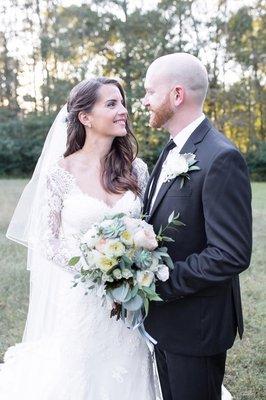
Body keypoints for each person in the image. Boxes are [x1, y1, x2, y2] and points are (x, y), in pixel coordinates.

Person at [0, 77, 159, 399]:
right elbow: (48, 241)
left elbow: (147, 226)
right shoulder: (59, 173)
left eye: (122, 103)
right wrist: (98, 271)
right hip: (84, 296)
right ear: (85, 117)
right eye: (111, 104)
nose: (123, 111)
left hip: (133, 296)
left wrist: (131, 269)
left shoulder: (137, 169)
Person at [142, 53, 252, 400]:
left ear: (176, 95)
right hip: (164, 322)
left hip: (196, 326)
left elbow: (230, 254)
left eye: (149, 91)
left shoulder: (221, 157)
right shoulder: (172, 149)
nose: (144, 100)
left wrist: (161, 281)